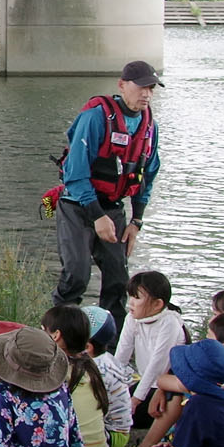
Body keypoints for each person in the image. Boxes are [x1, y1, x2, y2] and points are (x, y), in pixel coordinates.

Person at [52, 60, 162, 333]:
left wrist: (137, 221)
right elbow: (75, 173)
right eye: (141, 87)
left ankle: (108, 344)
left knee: (117, 279)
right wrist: (96, 216)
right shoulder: (95, 118)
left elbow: (147, 175)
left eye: (151, 88)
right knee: (77, 275)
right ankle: (58, 335)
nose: (146, 94)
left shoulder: (149, 127)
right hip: (78, 205)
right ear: (122, 85)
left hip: (112, 209)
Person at [45, 306, 132, 447]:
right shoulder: (104, 360)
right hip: (115, 429)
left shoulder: (90, 370)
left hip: (113, 434)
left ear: (87, 347)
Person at [111, 269, 187, 436]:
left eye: (136, 298)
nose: (130, 302)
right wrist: (107, 386)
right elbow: (121, 356)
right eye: (130, 296)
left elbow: (156, 366)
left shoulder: (169, 323)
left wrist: (135, 400)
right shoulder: (132, 318)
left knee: (125, 414)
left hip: (164, 387)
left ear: (157, 304)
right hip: (145, 382)